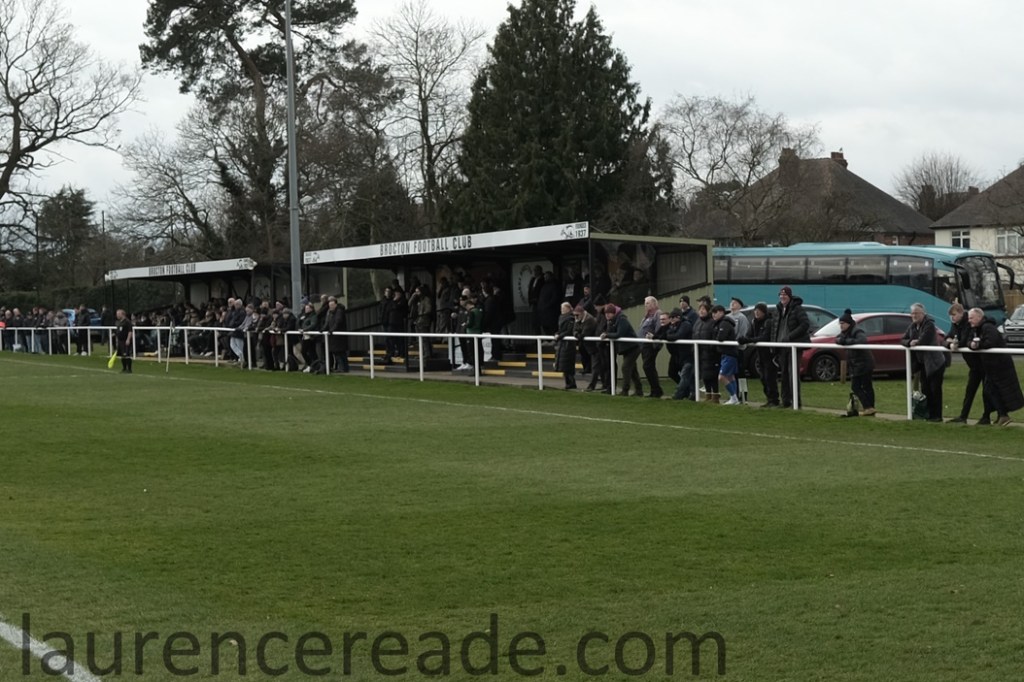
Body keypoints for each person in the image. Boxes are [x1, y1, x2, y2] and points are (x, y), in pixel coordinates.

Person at [967, 307, 1024, 426]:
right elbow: (968, 341)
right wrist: (972, 344)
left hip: (1000, 365)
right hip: (991, 366)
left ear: (979, 317)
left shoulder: (988, 327)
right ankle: (1001, 415)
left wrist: (977, 345)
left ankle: (1002, 415)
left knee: (992, 390)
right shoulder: (976, 329)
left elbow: (990, 342)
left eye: (971, 318)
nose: (969, 320)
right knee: (991, 390)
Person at [900, 302, 947, 422]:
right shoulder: (912, 326)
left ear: (923, 314)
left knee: (935, 390)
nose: (914, 315)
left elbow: (923, 340)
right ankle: (929, 414)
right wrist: (909, 342)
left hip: (935, 363)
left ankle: (937, 416)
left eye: (916, 313)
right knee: (925, 390)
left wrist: (915, 342)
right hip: (923, 364)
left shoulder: (929, 325)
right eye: (912, 313)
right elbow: (903, 340)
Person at [945, 302, 990, 423]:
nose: (952, 318)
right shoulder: (955, 324)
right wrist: (950, 343)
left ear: (961, 313)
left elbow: (965, 340)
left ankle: (987, 417)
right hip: (973, 365)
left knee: (987, 392)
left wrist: (954, 342)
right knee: (970, 391)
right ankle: (963, 417)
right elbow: (946, 337)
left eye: (954, 315)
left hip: (983, 363)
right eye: (950, 316)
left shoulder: (968, 323)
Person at [834, 309, 876, 416]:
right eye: (840, 323)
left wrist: (846, 342)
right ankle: (870, 408)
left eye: (843, 323)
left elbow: (862, 341)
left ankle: (868, 407)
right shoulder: (845, 333)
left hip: (864, 363)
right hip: (857, 364)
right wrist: (842, 341)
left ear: (848, 323)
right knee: (866, 387)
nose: (841, 326)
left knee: (857, 387)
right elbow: (837, 339)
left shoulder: (857, 331)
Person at [773, 286, 810, 408]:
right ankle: (786, 401)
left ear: (789, 296)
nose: (782, 297)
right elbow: (775, 327)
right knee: (784, 374)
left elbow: (805, 324)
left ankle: (796, 402)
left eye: (785, 295)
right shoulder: (778, 309)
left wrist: (790, 336)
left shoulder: (798, 309)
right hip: (782, 346)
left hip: (794, 346)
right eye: (781, 295)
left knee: (792, 374)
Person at [738, 302, 779, 407]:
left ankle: (774, 400)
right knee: (763, 378)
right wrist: (744, 339)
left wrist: (747, 340)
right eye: (755, 311)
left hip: (770, 355)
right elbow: (750, 335)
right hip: (760, 355)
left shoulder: (768, 322)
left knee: (770, 378)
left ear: (764, 312)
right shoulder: (754, 322)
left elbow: (764, 337)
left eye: (759, 311)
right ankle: (769, 399)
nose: (756, 313)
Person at [601, 304, 643, 396]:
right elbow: (611, 332)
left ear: (614, 313)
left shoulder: (622, 319)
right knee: (632, 370)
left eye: (609, 313)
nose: (607, 315)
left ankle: (625, 390)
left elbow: (619, 334)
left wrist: (607, 335)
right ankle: (639, 390)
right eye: (606, 313)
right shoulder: (611, 321)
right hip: (627, 348)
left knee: (625, 367)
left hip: (633, 347)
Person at [711, 305, 740, 404]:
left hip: (729, 354)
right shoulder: (720, 323)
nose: (713, 314)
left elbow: (721, 337)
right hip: (726, 354)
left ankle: (734, 397)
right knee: (730, 376)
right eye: (712, 312)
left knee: (722, 376)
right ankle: (735, 398)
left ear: (721, 312)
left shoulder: (724, 323)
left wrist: (717, 335)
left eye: (715, 312)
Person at [638, 296, 664, 398]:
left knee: (647, 366)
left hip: (651, 345)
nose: (646, 305)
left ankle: (656, 390)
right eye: (645, 303)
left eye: (648, 303)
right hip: (643, 345)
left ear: (654, 304)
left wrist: (654, 339)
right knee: (649, 367)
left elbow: (659, 329)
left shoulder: (658, 314)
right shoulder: (646, 316)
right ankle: (655, 390)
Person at [553, 302, 578, 389]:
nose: (561, 310)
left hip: (568, 344)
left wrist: (559, 336)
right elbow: (561, 330)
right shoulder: (562, 317)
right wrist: (557, 333)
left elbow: (569, 331)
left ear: (568, 309)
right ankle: (568, 382)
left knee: (567, 365)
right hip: (563, 344)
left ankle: (571, 383)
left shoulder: (571, 318)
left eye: (563, 308)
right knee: (564, 364)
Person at [115, 308, 134, 374]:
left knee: (126, 355)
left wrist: (128, 339)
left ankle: (129, 369)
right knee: (122, 355)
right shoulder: (119, 322)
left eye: (118, 314)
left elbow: (130, 331)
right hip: (120, 341)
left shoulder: (127, 322)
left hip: (125, 340)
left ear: (122, 314)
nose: (117, 315)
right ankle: (124, 368)